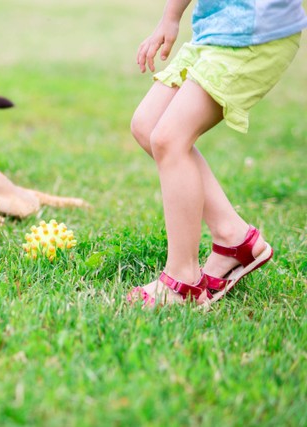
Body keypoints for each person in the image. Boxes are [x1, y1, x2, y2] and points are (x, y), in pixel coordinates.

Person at [128, 0, 307, 306]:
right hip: (214, 30)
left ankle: (182, 279)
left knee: (170, 139)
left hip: (255, 35)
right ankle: (233, 238)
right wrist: (171, 17)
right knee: (147, 125)